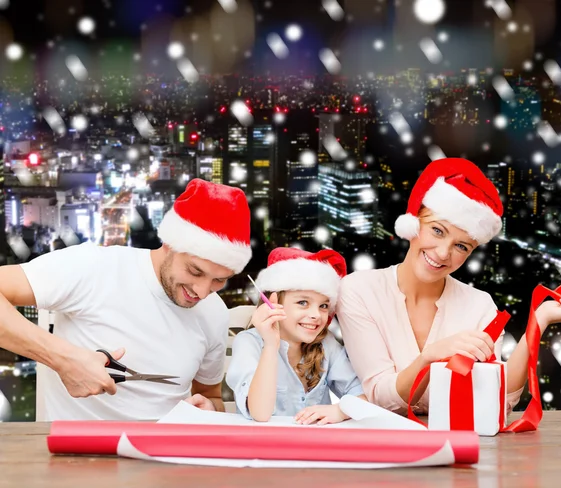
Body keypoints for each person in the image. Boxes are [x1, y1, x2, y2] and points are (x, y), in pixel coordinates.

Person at [336, 158, 561, 416]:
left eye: (461, 246)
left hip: (463, 445)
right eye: (437, 231)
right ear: (414, 223)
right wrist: (431, 356)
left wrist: (540, 319)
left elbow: (498, 401)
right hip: (385, 445)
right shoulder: (358, 291)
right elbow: (381, 398)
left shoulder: (479, 305)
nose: (443, 253)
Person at [0, 178, 252, 420]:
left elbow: (209, 395)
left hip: (167, 456)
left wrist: (209, 409)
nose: (202, 291)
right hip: (80, 457)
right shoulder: (92, 267)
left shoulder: (214, 312)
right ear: (169, 244)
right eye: (195, 271)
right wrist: (63, 359)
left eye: (220, 280)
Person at [226, 247, 365, 425]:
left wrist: (340, 410)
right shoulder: (248, 343)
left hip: (315, 447)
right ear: (273, 302)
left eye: (323, 306)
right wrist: (270, 345)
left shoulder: (326, 343)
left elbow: (364, 395)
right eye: (303, 302)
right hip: (265, 447)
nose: (316, 314)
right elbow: (260, 413)